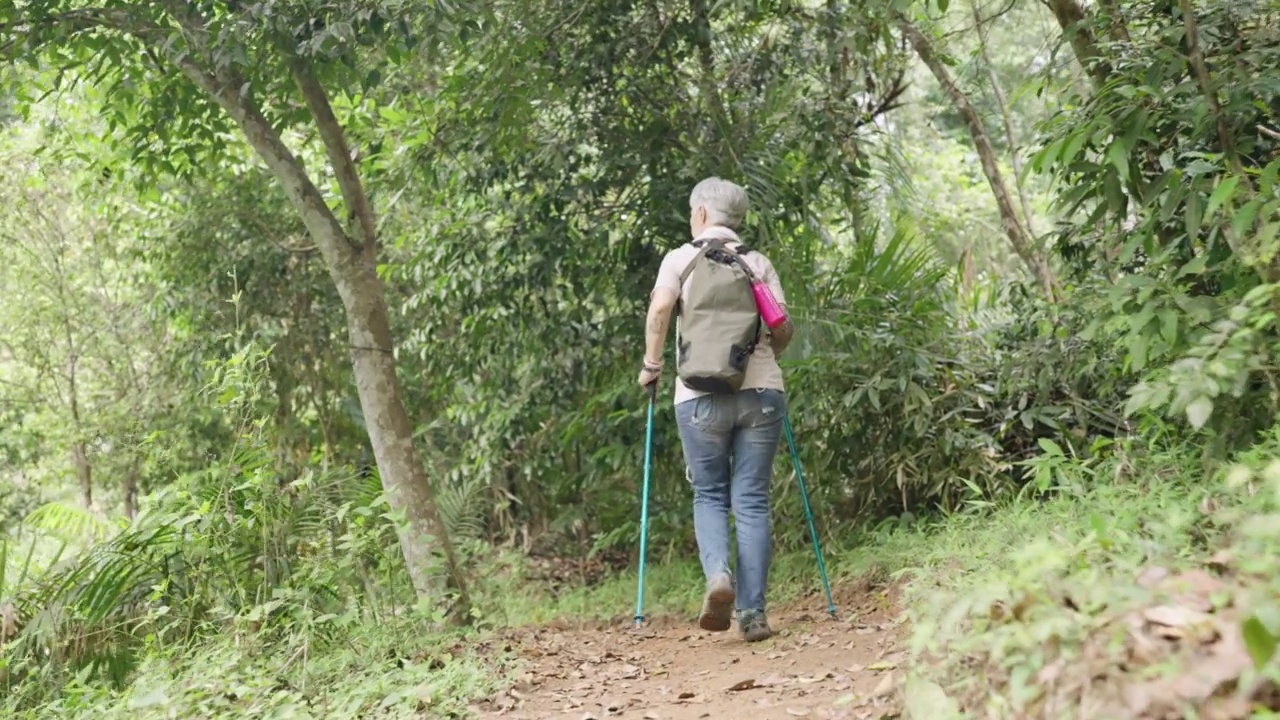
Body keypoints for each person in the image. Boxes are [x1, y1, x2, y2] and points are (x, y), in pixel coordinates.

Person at [637, 177, 793, 643]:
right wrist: (766, 360)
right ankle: (754, 614)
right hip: (761, 392)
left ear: (701, 215)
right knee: (751, 501)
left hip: (698, 396)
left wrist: (652, 364)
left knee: (709, 495)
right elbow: (782, 327)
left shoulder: (680, 259)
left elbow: (661, 308)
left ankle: (718, 577)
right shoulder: (757, 263)